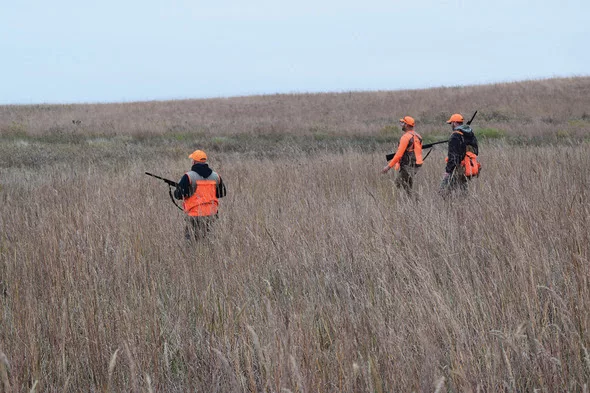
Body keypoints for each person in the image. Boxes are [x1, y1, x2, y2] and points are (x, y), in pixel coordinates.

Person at [174, 149, 227, 241]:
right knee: (208, 240)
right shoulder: (216, 176)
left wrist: (180, 190)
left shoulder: (188, 176)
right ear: (204, 161)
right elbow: (221, 193)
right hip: (211, 214)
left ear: (194, 162)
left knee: (190, 241)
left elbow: (178, 195)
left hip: (194, 214)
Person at [381, 116, 423, 195]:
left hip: (407, 167)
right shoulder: (418, 136)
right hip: (416, 166)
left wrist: (388, 167)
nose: (401, 124)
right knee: (407, 186)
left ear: (407, 125)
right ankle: (413, 203)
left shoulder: (405, 137)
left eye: (403, 123)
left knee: (397, 184)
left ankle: (415, 200)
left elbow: (399, 155)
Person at [440, 113, 479, 196]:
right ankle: (465, 206)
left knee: (443, 192)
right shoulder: (470, 135)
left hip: (457, 168)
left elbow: (453, 156)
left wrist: (448, 171)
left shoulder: (455, 136)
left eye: (451, 123)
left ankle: (448, 206)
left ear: (455, 123)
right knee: (463, 191)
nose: (451, 125)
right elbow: (476, 152)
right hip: (467, 167)